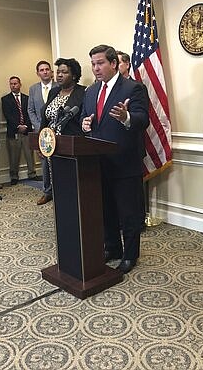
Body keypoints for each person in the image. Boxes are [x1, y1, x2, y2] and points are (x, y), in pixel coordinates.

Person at [81, 44, 149, 274]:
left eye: (100, 63)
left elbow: (143, 120)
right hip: (98, 162)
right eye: (93, 64)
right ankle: (112, 247)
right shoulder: (90, 91)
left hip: (124, 161)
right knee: (105, 210)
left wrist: (126, 116)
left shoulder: (133, 88)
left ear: (113, 64)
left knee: (128, 213)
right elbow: (86, 119)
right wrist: (85, 125)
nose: (96, 68)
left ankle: (130, 255)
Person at [37, 58, 85, 205]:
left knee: (69, 178)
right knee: (52, 174)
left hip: (69, 143)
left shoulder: (82, 92)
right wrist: (40, 140)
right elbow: (45, 117)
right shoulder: (54, 92)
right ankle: (57, 200)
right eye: (58, 72)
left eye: (64, 72)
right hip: (50, 143)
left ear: (74, 75)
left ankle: (72, 202)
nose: (59, 75)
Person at [28, 61, 58, 204]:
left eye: (47, 69)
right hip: (41, 132)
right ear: (38, 73)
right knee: (45, 162)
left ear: (51, 72)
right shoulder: (33, 89)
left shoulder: (59, 86)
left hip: (57, 130)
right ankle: (47, 192)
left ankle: (60, 190)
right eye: (42, 70)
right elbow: (31, 110)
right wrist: (39, 126)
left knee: (58, 161)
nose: (45, 72)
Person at [1, 76, 36, 185]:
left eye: (15, 83)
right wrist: (18, 126)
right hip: (13, 131)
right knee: (13, 155)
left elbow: (31, 113)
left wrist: (26, 125)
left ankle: (32, 173)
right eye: (11, 84)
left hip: (27, 130)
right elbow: (8, 115)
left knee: (29, 154)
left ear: (20, 84)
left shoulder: (27, 98)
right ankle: (14, 176)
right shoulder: (5, 99)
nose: (13, 85)